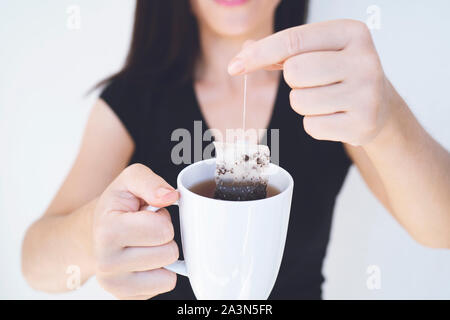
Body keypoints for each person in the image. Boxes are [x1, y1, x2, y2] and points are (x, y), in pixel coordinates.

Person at [22, 0, 450, 299]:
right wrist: (89, 236)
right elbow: (35, 262)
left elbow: (440, 228)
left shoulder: (333, 94)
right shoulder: (134, 98)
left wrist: (388, 116)